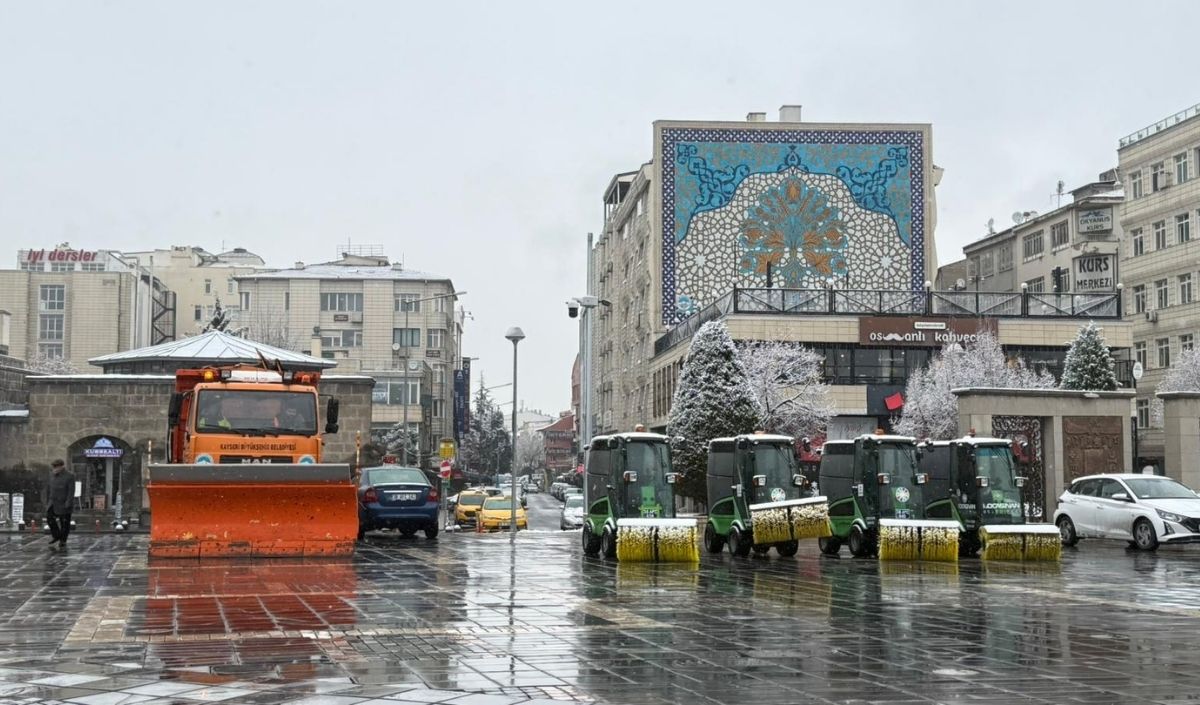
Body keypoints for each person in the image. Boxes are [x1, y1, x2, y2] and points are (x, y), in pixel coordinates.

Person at [46, 459, 75, 550]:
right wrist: (48, 501)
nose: (54, 468)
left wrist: (68, 502)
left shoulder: (69, 476)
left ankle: (63, 540)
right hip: (53, 502)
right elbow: (49, 488)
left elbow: (71, 491)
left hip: (64, 502)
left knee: (64, 523)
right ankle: (56, 535)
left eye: (56, 466)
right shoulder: (52, 475)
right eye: (53, 466)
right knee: (49, 518)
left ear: (61, 466)